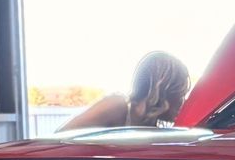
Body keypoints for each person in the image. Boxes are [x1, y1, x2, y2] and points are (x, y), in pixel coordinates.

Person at [57, 49, 191, 136]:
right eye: (180, 94)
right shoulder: (118, 105)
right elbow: (57, 140)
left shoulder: (150, 127)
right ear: (163, 92)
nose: (183, 102)